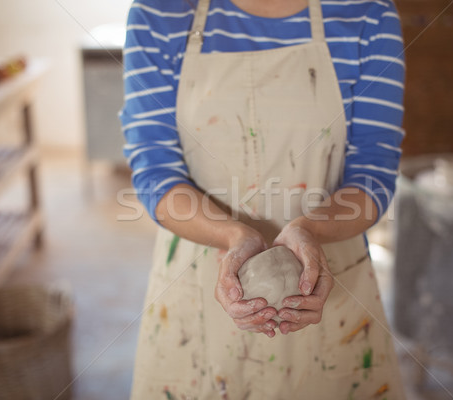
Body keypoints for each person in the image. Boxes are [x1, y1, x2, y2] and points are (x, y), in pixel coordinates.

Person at [120, 0, 406, 398]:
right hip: (199, 288)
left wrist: (309, 229)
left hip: (328, 287)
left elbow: (373, 174)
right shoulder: (162, 12)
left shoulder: (366, 13)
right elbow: (155, 173)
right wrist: (233, 236)